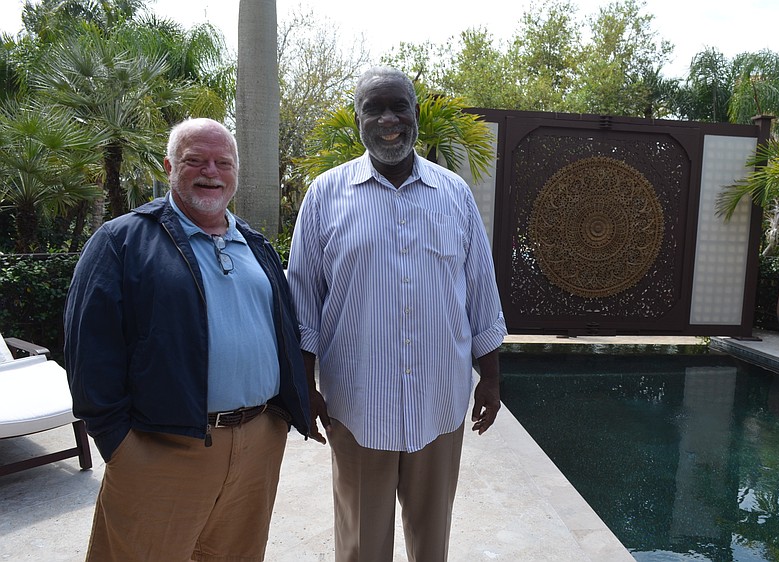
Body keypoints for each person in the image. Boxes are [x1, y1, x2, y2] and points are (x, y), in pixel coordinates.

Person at [64, 117, 312, 562]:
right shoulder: (121, 242)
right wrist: (119, 445)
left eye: (223, 162)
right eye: (194, 160)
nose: (210, 172)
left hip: (258, 443)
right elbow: (90, 351)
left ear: (236, 170)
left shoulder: (255, 245)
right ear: (169, 167)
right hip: (162, 449)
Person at [288, 66, 507, 562]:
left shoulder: (454, 195)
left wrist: (490, 379)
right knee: (362, 542)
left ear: (414, 115)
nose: (388, 119)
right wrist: (306, 387)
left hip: (440, 402)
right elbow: (302, 299)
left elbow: (481, 293)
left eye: (398, 106)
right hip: (360, 406)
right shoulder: (324, 196)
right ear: (358, 121)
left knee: (432, 541)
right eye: (374, 108)